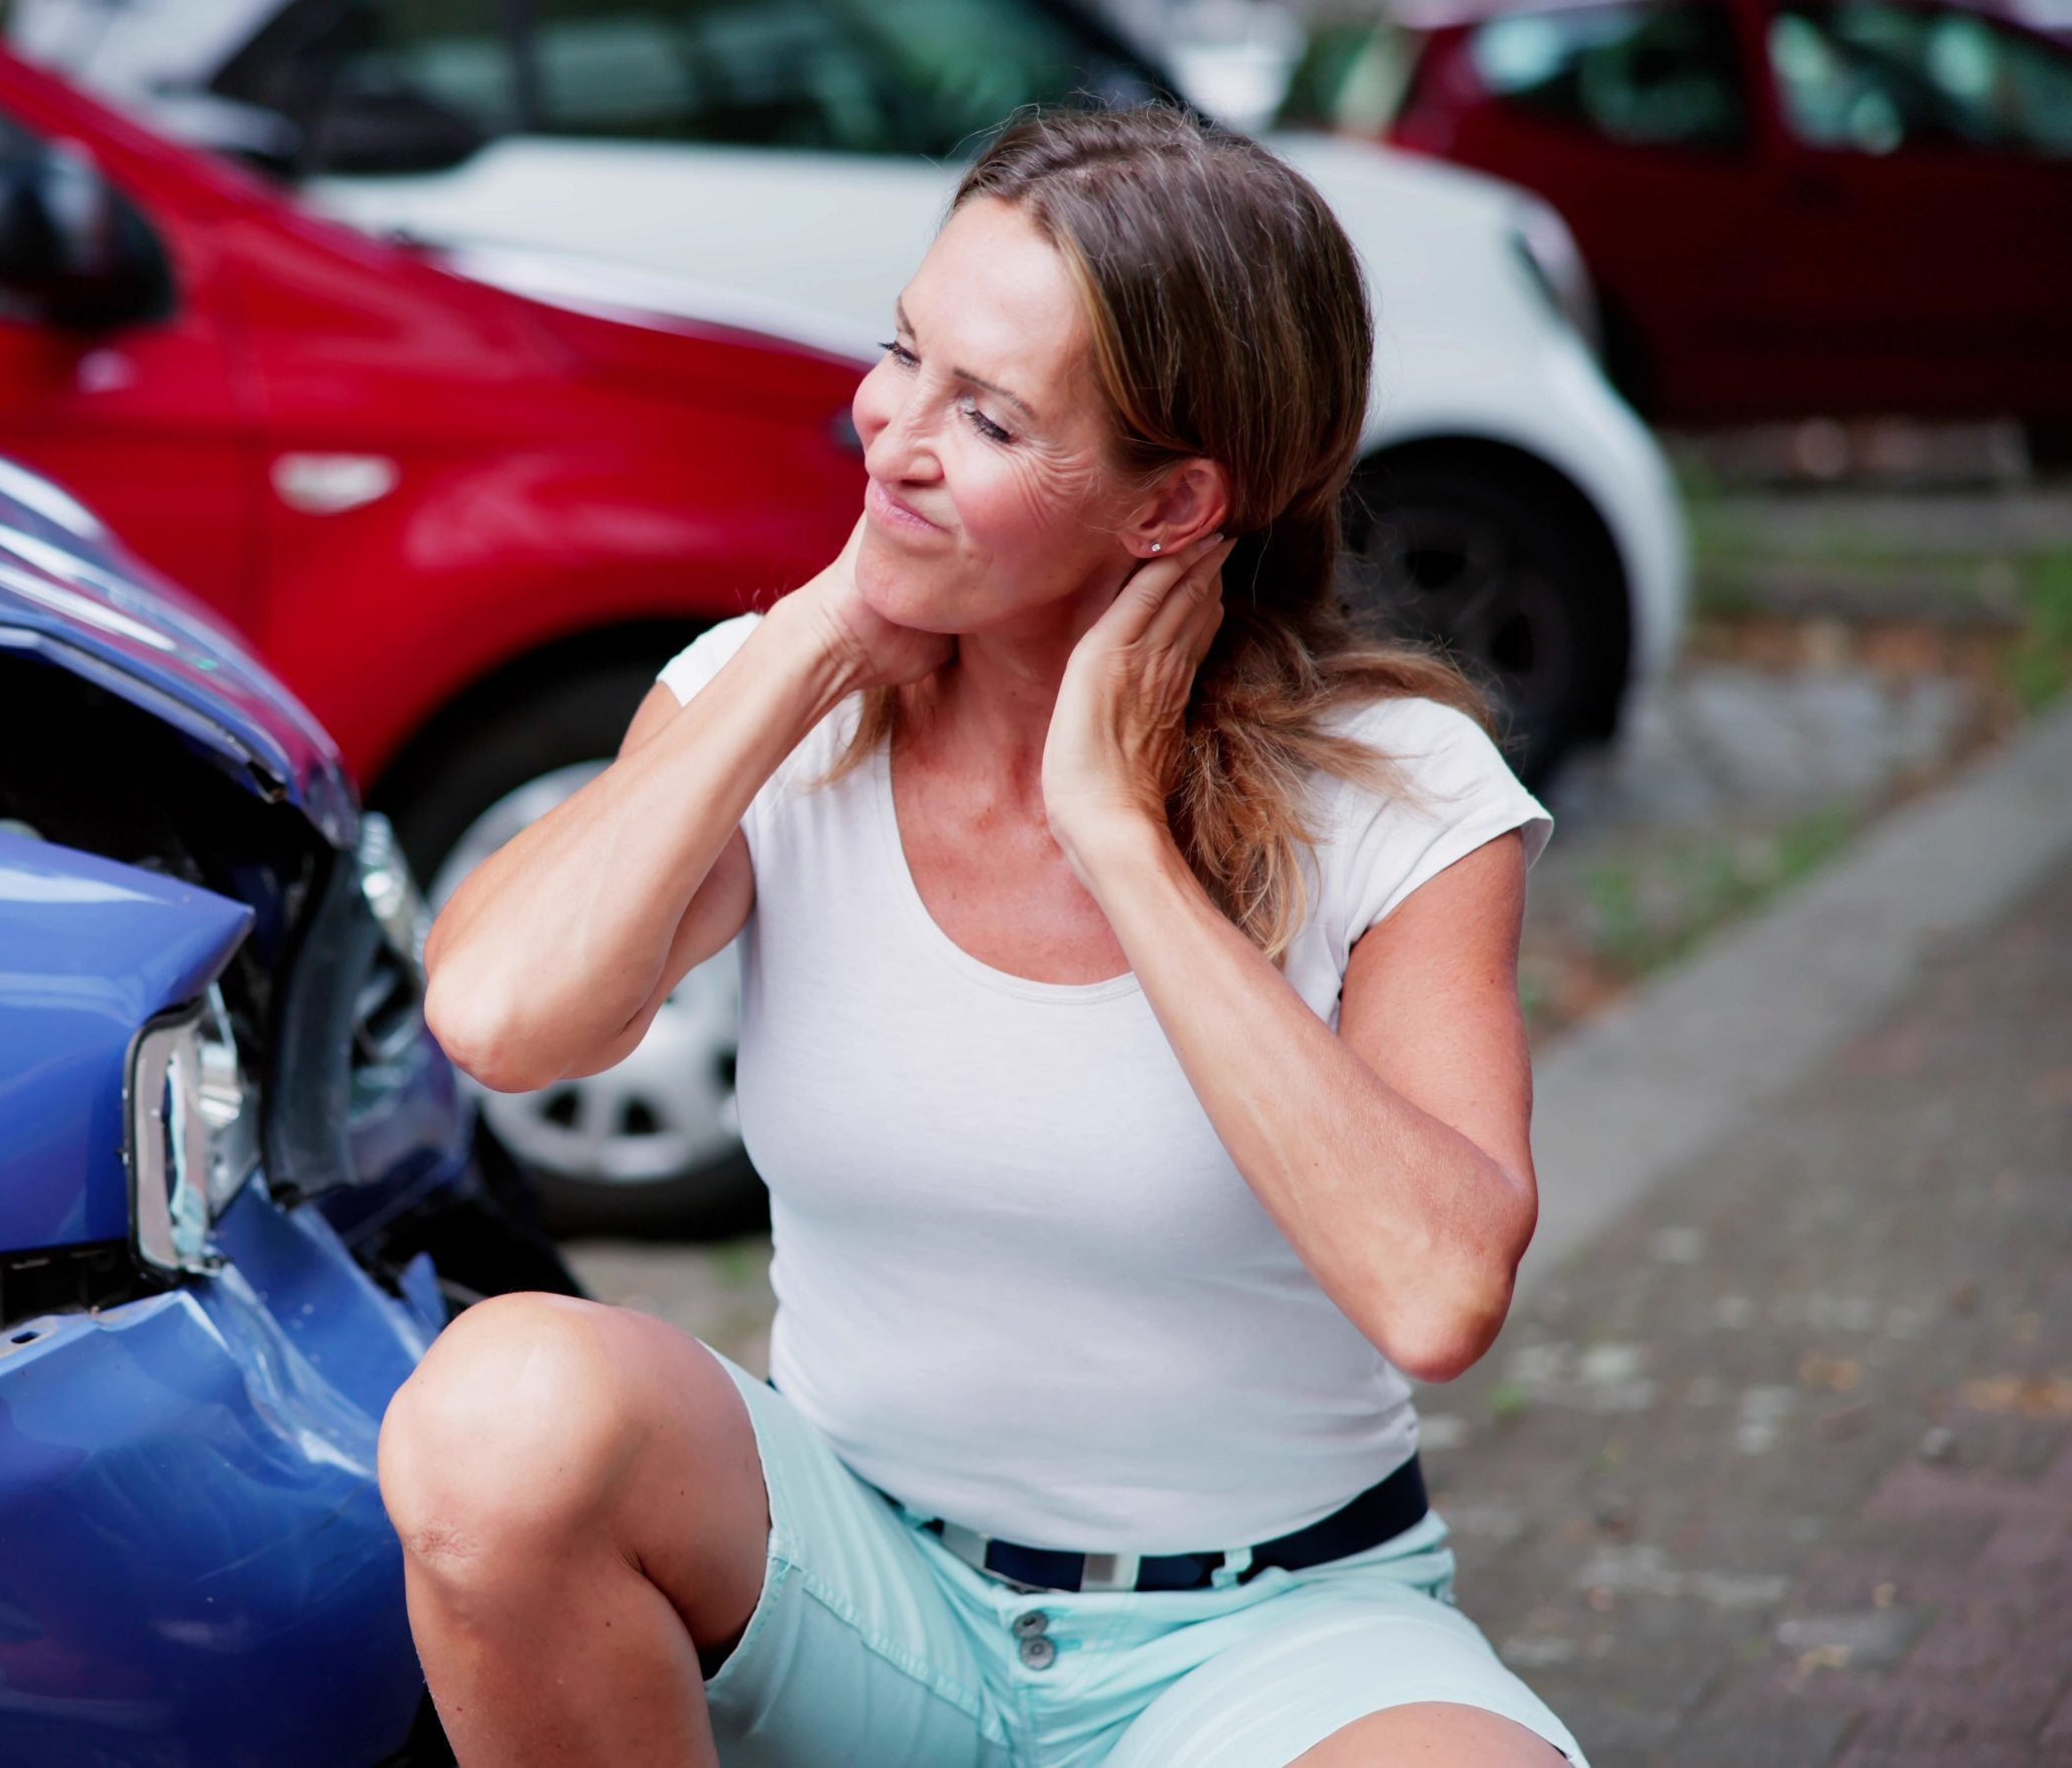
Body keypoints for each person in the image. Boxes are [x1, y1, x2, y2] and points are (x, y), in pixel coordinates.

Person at [383, 105, 1582, 1768]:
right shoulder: (782, 712)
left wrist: (1119, 839)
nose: (892, 434)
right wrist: (808, 645)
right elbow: (503, 1019)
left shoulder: (1398, 798)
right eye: (903, 356)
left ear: (1172, 508)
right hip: (865, 1596)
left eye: (989, 416)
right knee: (497, 1412)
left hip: (1265, 1634)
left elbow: (1437, 1289)